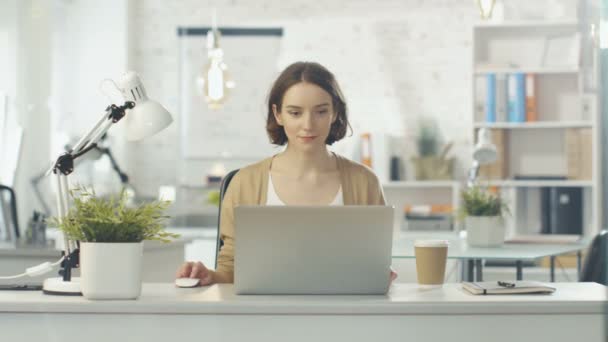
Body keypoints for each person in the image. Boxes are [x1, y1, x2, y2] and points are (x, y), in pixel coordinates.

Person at [176, 61, 397, 285]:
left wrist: (378, 275)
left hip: (343, 316)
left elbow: (373, 264)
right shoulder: (245, 183)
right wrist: (208, 276)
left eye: (321, 111)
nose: (308, 124)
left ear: (334, 113)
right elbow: (230, 270)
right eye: (295, 113)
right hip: (264, 316)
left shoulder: (364, 182)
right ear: (278, 114)